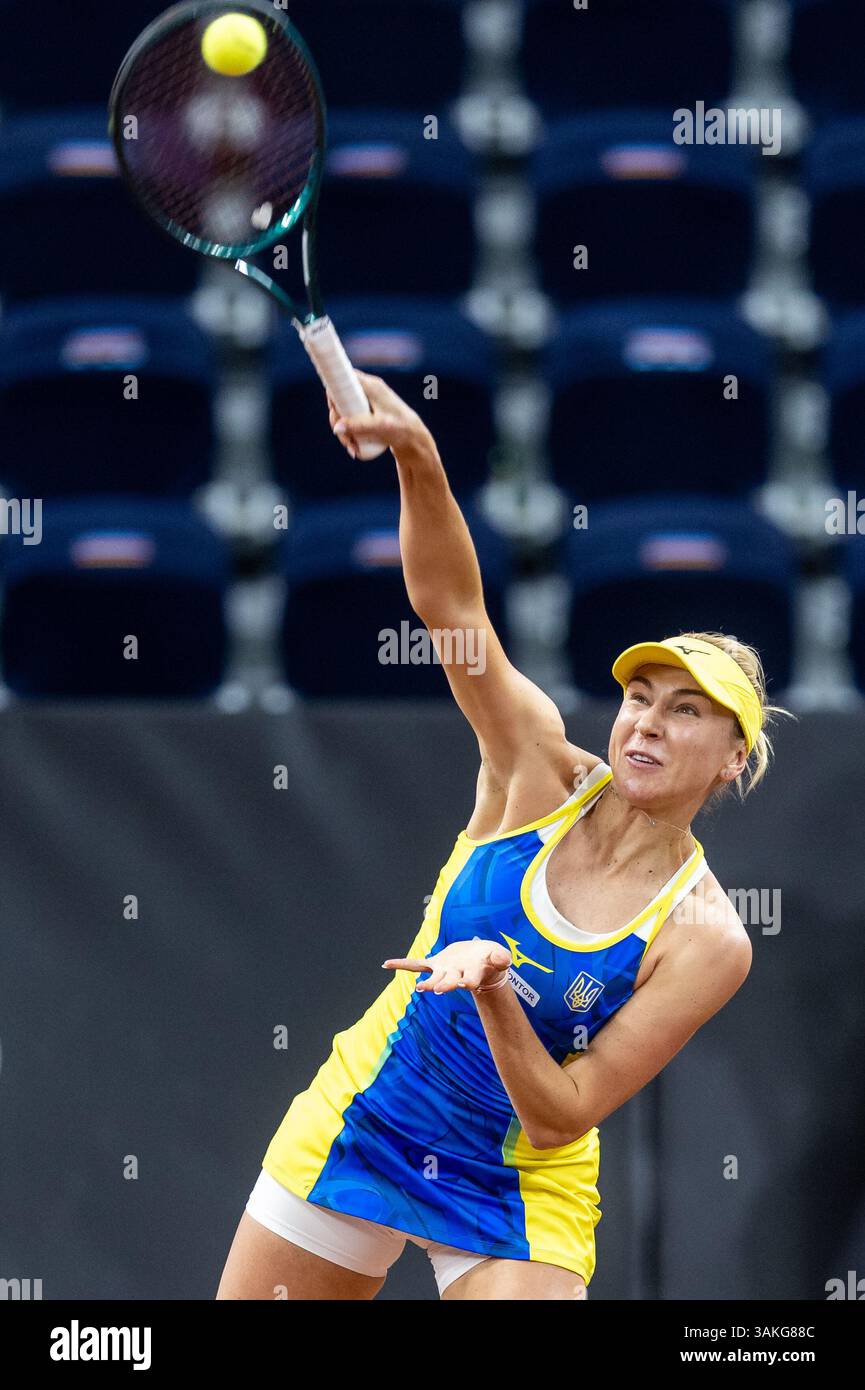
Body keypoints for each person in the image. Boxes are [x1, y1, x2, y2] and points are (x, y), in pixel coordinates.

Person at [217, 372, 790, 1301]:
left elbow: (562, 1114)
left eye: (686, 712)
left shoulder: (707, 939)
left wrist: (493, 992)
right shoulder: (536, 771)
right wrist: (418, 456)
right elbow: (455, 612)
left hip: (517, 1180)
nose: (645, 722)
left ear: (732, 759)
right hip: (371, 1114)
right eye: (639, 698)